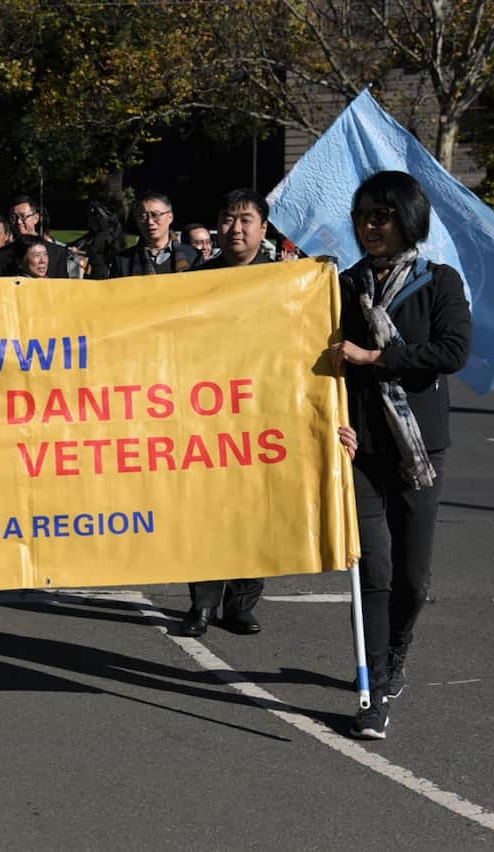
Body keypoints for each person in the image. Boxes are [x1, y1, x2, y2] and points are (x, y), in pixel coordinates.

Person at [330, 170, 471, 740]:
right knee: (375, 571)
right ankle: (375, 687)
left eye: (382, 216)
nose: (370, 226)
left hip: (420, 448)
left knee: (413, 578)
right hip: (359, 446)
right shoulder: (342, 284)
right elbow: (319, 363)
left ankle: (397, 648)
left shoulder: (439, 282)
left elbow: (452, 351)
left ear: (407, 220)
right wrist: (333, 419)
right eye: (362, 216)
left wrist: (377, 358)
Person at [181, 190, 276, 638]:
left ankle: (241, 604)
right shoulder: (197, 279)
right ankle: (202, 604)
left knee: (254, 510)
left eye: (245, 220)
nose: (235, 228)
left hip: (262, 414)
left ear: (263, 228)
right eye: (227, 219)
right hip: (206, 413)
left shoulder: (284, 279)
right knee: (206, 511)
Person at [112, 192, 198, 277]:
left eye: (155, 215)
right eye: (143, 216)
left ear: (170, 217)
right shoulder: (123, 261)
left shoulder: (193, 256)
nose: (150, 222)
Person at [0, 195, 69, 278]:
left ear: (36, 218)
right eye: (14, 217)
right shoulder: (1, 256)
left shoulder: (57, 253)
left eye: (23, 216)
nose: (18, 221)